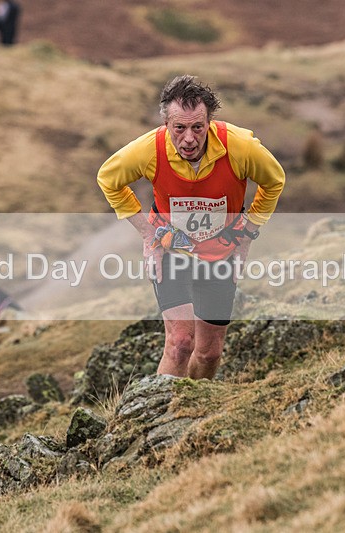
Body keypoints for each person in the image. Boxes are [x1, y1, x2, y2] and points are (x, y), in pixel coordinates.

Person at [97, 75, 285, 379]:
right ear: (166, 124)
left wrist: (248, 233)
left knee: (209, 353)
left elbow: (274, 181)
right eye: (179, 128)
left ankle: (193, 409)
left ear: (209, 122)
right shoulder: (149, 149)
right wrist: (147, 232)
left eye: (198, 127)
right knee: (180, 343)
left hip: (220, 254)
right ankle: (156, 413)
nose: (188, 138)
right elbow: (108, 179)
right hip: (171, 251)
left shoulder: (239, 147)